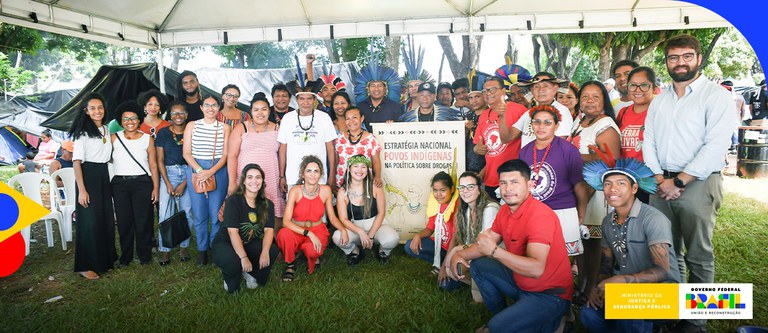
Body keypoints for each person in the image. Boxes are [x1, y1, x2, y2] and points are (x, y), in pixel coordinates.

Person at [643, 34, 738, 333]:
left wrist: (679, 181)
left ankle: (695, 322)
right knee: (665, 252)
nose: (680, 62)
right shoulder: (660, 100)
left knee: (698, 254)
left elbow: (715, 145)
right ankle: (673, 311)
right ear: (667, 62)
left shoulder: (716, 95)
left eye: (686, 56)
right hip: (661, 183)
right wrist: (660, 178)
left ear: (698, 58)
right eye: (673, 57)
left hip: (697, 184)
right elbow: (650, 140)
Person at [449, 159, 572, 333]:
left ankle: (555, 322)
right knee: (479, 265)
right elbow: (485, 243)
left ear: (529, 185)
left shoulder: (540, 216)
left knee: (493, 329)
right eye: (503, 183)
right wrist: (459, 255)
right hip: (521, 284)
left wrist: (494, 252)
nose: (508, 189)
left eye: (515, 182)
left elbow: (536, 269)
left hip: (549, 294)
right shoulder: (506, 210)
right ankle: (505, 316)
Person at [579, 158, 681, 333]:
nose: (613, 189)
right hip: (624, 292)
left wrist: (621, 281)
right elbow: (606, 263)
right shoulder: (607, 222)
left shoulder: (653, 219)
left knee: (626, 306)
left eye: (621, 183)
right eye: (608, 184)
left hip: (665, 294)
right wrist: (598, 286)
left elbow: (663, 270)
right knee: (588, 314)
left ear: (634, 189)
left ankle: (651, 325)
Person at [570, 80, 621, 304]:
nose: (589, 101)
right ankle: (581, 284)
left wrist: (569, 157)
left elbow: (610, 160)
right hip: (579, 190)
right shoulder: (580, 120)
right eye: (585, 97)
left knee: (595, 244)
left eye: (595, 97)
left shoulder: (606, 125)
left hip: (597, 192)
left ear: (604, 101)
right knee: (582, 242)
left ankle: (592, 290)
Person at [520, 105, 589, 258]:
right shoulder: (525, 151)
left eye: (547, 122)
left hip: (563, 212)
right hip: (534, 214)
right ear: (531, 124)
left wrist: (581, 215)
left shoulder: (568, 150)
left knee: (564, 261)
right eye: (537, 122)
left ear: (556, 126)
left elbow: (579, 185)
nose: (541, 127)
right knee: (537, 260)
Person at [276, 155, 348, 282]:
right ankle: (291, 265)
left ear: (320, 174)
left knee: (312, 251)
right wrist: (308, 233)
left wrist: (343, 230)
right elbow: (286, 222)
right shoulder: (295, 191)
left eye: (316, 171)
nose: (313, 174)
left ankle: (311, 254)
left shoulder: (325, 190)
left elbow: (332, 216)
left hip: (317, 228)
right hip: (297, 229)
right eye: (309, 171)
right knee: (283, 234)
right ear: (302, 174)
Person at [69, 92, 116, 280]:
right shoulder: (82, 133)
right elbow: (76, 162)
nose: (97, 111)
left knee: (104, 219)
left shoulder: (106, 129)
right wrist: (82, 190)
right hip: (87, 177)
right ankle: (84, 265)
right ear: (86, 111)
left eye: (100, 107)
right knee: (89, 222)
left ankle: (104, 260)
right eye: (93, 108)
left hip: (103, 176)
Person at [212, 163, 279, 293]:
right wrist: (243, 257)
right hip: (226, 243)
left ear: (262, 181)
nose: (254, 181)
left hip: (248, 242)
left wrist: (265, 252)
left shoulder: (267, 204)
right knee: (233, 264)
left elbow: (269, 230)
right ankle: (231, 275)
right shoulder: (233, 201)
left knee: (272, 250)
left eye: (258, 177)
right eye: (250, 177)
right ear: (243, 180)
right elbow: (232, 233)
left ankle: (251, 273)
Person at [110, 101, 160, 266]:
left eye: (133, 118)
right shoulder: (113, 138)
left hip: (142, 183)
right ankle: (126, 257)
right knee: (124, 221)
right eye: (126, 119)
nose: (129, 122)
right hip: (120, 184)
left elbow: (153, 165)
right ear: (120, 121)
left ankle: (144, 256)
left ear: (139, 120)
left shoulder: (147, 139)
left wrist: (156, 188)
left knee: (143, 220)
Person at [183, 95, 230, 266]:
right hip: (196, 170)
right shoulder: (192, 125)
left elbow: (225, 154)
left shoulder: (225, 128)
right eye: (207, 105)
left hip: (217, 169)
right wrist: (201, 171)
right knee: (199, 212)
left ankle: (215, 247)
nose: (211, 108)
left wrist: (212, 171)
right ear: (201, 108)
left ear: (219, 108)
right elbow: (186, 153)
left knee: (216, 213)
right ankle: (202, 250)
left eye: (214, 105)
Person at [227, 93, 285, 227]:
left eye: (264, 109)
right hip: (246, 177)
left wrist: (282, 176)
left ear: (269, 111)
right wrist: (231, 182)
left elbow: (283, 156)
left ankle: (272, 242)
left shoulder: (278, 129)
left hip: (270, 176)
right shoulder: (242, 127)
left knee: (273, 213)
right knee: (245, 210)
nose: (260, 113)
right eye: (256, 109)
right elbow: (232, 156)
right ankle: (247, 239)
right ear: (251, 112)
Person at [332, 155, 398, 265]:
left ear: (367, 170)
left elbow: (381, 212)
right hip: (355, 229)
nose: (359, 170)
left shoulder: (375, 187)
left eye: (363, 167)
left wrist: (371, 235)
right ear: (349, 169)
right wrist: (360, 231)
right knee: (337, 237)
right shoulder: (343, 192)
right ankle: (355, 250)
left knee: (392, 239)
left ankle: (383, 251)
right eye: (356, 166)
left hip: (376, 226)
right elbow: (343, 219)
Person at [444, 171, 500, 298]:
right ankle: (485, 284)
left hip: (494, 255)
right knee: (451, 268)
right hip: (477, 250)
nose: (465, 191)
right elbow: (466, 240)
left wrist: (459, 250)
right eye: (462, 187)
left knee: (470, 259)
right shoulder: (466, 210)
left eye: (470, 187)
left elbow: (485, 247)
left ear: (480, 189)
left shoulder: (490, 209)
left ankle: (480, 298)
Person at [473, 77, 528, 201]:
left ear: (503, 91)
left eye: (492, 90)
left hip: (512, 179)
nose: (488, 93)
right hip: (490, 180)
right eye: (485, 91)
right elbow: (484, 149)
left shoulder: (518, 110)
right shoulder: (483, 116)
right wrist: (477, 149)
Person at [404, 171, 460, 289]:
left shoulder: (456, 206)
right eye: (435, 190)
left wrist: (446, 265)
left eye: (443, 190)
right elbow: (430, 228)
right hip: (441, 247)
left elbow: (456, 239)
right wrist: (418, 235)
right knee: (409, 245)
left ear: (452, 189)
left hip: (454, 250)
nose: (438, 194)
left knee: (445, 286)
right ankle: (438, 265)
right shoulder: (436, 204)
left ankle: (449, 268)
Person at [155, 102, 194, 265]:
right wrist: (167, 183)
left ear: (186, 115)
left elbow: (195, 158)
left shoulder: (192, 132)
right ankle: (165, 249)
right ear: (169, 116)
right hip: (168, 173)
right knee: (165, 212)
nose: (178, 116)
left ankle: (184, 247)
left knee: (187, 212)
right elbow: (160, 160)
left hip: (188, 172)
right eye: (174, 114)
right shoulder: (163, 133)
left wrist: (184, 183)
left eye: (181, 113)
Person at [278, 88, 337, 194]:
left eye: (309, 99)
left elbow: (330, 148)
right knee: (295, 209)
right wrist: (282, 176)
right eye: (302, 99)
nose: (305, 102)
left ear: (314, 100)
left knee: (319, 209)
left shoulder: (324, 118)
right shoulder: (287, 119)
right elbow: (282, 149)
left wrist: (332, 175)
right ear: (296, 100)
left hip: (319, 177)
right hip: (293, 177)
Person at [616, 67, 657, 203]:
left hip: (651, 180)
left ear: (654, 88)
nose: (637, 90)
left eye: (644, 85)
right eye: (633, 85)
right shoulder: (623, 112)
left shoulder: (659, 112)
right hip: (627, 180)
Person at [509, 72, 574, 149]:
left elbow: (556, 145)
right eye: (536, 87)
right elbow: (507, 137)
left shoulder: (562, 111)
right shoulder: (528, 113)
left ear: (555, 88)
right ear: (532, 90)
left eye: (545, 86)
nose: (541, 90)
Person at [334, 107, 382, 188]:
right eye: (347, 118)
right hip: (342, 182)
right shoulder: (339, 138)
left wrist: (377, 177)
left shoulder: (371, 139)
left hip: (363, 183)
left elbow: (376, 161)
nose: (351, 121)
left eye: (354, 117)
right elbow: (336, 160)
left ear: (362, 118)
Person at [353, 56, 403, 131]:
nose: (376, 89)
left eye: (379, 85)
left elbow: (401, 128)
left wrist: (394, 126)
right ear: (368, 88)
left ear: (385, 88)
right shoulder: (360, 106)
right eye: (373, 86)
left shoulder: (395, 107)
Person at [398, 82, 463, 122]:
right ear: (417, 96)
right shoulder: (408, 117)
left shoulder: (448, 114)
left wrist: (466, 129)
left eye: (428, 95)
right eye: (421, 95)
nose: (424, 98)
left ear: (434, 96)